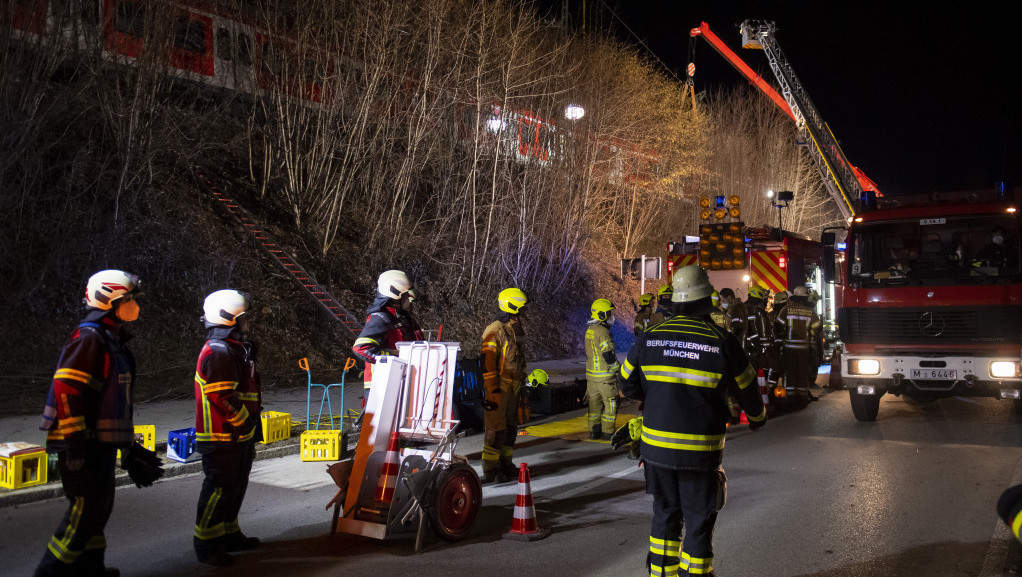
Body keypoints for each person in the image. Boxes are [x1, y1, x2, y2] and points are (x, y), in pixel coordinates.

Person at [620, 265, 766, 577]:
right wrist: (757, 417)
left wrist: (657, 392)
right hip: (699, 452)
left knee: (665, 512)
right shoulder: (722, 341)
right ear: (707, 301)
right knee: (699, 517)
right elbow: (748, 388)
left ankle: (661, 574)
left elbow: (626, 384)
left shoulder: (650, 337)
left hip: (656, 450)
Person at [35, 270, 149, 577]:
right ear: (108, 300)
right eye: (128, 299)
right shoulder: (90, 338)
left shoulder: (110, 338)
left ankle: (89, 568)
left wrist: (126, 445)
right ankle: (49, 572)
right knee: (84, 513)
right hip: (81, 445)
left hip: (98, 443)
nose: (133, 305)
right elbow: (68, 391)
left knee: (97, 510)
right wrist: (75, 446)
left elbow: (113, 400)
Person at [192, 289, 262, 566]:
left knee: (235, 485)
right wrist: (245, 423)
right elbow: (222, 396)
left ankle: (229, 533)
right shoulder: (219, 352)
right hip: (222, 434)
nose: (248, 322)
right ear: (230, 318)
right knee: (219, 488)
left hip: (235, 434)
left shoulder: (231, 348)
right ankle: (206, 544)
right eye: (244, 318)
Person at [351, 270, 424, 404]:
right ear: (395, 295)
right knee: (381, 425)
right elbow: (360, 348)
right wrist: (393, 359)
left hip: (400, 381)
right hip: (381, 383)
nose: (411, 299)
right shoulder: (380, 318)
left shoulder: (404, 319)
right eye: (406, 295)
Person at [480, 288, 528, 483]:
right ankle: (491, 469)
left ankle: (506, 465)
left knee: (510, 429)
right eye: (521, 307)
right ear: (512, 306)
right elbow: (487, 363)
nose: (524, 311)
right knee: (496, 431)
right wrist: (492, 390)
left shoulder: (515, 328)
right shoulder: (495, 330)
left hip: (514, 387)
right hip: (499, 388)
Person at [773, 286, 822, 404]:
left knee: (789, 373)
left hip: (788, 348)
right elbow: (818, 327)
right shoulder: (811, 312)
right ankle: (802, 398)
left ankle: (789, 397)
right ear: (806, 298)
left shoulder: (786, 310)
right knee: (802, 373)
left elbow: (777, 326)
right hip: (804, 349)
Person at [585, 299, 620, 440]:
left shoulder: (590, 330)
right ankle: (608, 431)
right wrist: (618, 368)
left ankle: (594, 431)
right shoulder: (603, 331)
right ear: (601, 315)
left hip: (592, 378)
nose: (611, 316)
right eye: (608, 313)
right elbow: (608, 354)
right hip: (605, 377)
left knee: (594, 406)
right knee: (610, 404)